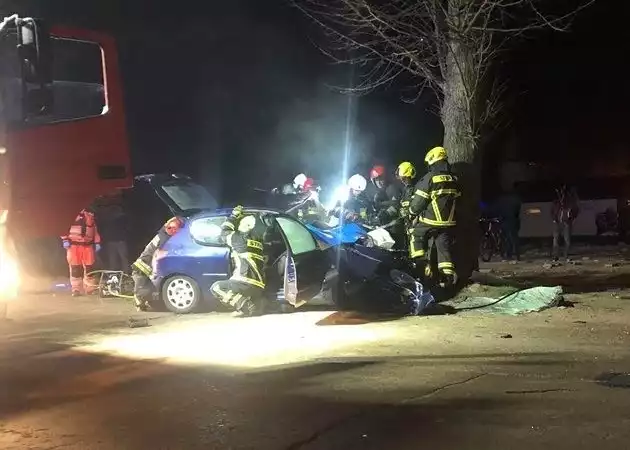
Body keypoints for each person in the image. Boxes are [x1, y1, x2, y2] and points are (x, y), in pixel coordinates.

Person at [402, 147, 461, 287]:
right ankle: (447, 278)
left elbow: (418, 202)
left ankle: (420, 266)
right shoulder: (454, 178)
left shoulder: (430, 178)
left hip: (430, 220)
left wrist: (410, 213)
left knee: (414, 233)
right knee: (443, 246)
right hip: (449, 222)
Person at [210, 206, 266, 317]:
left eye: (241, 224)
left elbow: (224, 232)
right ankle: (253, 303)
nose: (239, 227)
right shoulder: (258, 240)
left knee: (216, 288)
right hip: (259, 285)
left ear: (246, 227)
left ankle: (246, 306)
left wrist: (234, 216)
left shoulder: (239, 239)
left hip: (245, 281)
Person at [131, 216, 183, 311]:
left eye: (177, 229)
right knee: (143, 289)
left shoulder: (164, 233)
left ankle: (143, 301)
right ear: (168, 228)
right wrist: (156, 271)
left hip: (146, 266)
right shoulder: (164, 238)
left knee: (150, 290)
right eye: (173, 229)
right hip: (143, 267)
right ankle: (139, 302)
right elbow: (157, 255)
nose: (175, 231)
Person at [61, 207, 102, 297]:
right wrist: (65, 239)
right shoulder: (69, 215)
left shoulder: (89, 215)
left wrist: (97, 242)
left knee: (90, 268)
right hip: (74, 246)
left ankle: (90, 288)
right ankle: (76, 289)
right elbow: (62, 226)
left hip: (87, 246)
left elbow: (94, 230)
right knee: (75, 268)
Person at [551, 184, 579, 262]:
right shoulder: (556, 202)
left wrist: (572, 219)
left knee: (567, 241)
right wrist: (554, 219)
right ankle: (555, 256)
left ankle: (566, 256)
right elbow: (552, 211)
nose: (561, 194)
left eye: (563, 192)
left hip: (566, 223)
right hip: (557, 223)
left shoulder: (569, 201)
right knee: (556, 240)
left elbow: (576, 210)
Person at [496, 184, 522, 261]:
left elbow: (499, 210)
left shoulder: (502, 200)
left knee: (508, 238)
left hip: (506, 220)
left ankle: (509, 254)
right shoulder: (516, 199)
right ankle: (517, 254)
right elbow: (518, 210)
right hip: (514, 220)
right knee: (515, 238)